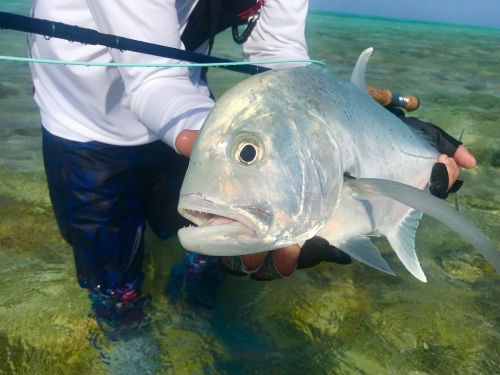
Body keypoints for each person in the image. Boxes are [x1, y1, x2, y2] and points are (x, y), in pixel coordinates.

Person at [28, 0, 475, 322]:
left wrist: (362, 129)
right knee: (111, 278)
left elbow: (279, 57)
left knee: (203, 242)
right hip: (83, 125)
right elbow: (153, 80)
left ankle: (198, 318)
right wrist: (251, 147)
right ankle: (126, 345)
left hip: (190, 115)